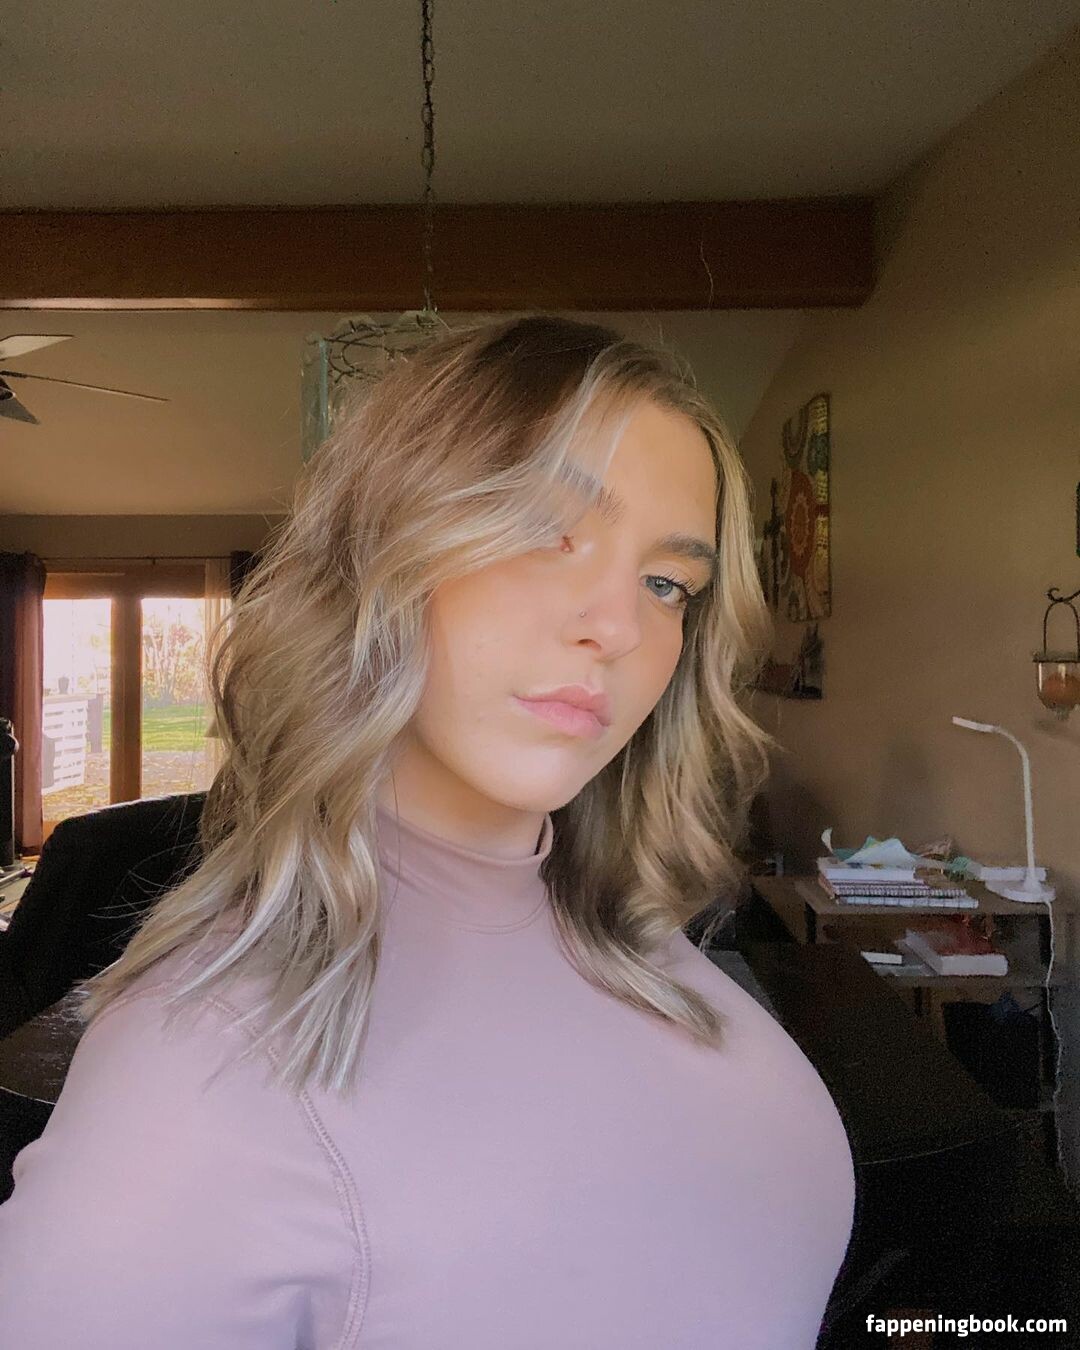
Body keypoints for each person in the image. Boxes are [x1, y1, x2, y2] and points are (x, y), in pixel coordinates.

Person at [0, 314, 855, 1348]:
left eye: (667, 584)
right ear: (378, 555)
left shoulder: (626, 927)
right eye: (541, 534)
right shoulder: (202, 1066)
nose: (618, 627)